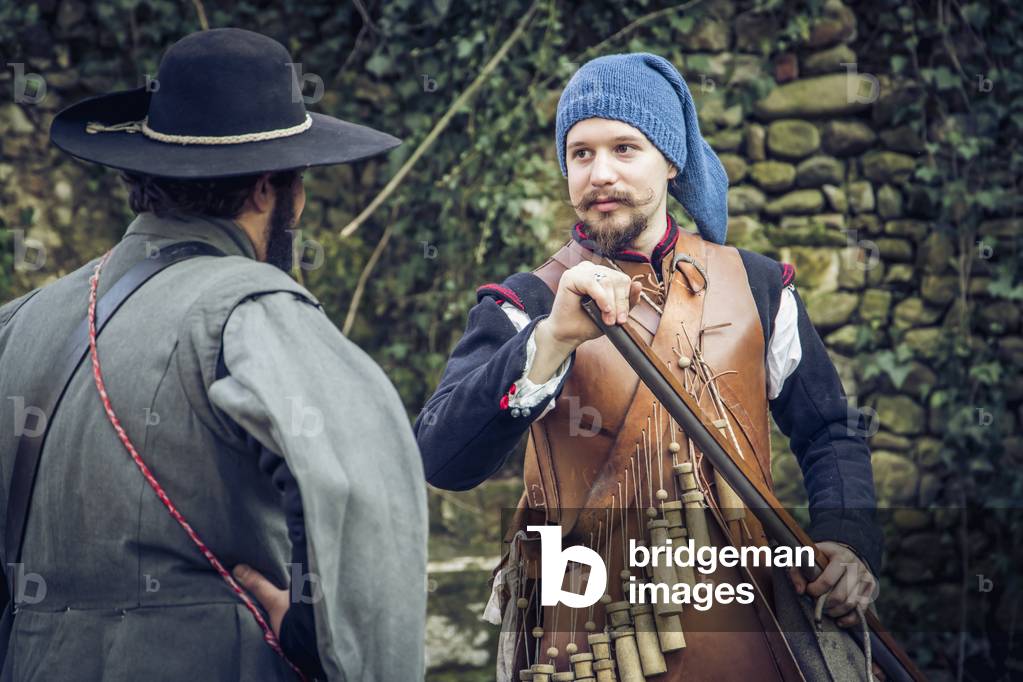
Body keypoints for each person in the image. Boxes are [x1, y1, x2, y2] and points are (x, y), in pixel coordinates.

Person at [415, 53, 884, 680]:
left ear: (669, 160)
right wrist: (551, 340)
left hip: (749, 612)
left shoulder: (759, 287)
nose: (600, 173)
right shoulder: (525, 303)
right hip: (587, 640)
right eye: (580, 154)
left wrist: (849, 542)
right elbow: (443, 458)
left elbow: (830, 431)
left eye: (624, 149)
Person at [0, 28, 426, 681]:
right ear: (268, 192)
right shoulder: (251, 311)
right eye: (299, 185)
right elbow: (355, 496)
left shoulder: (18, 322)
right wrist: (310, 637)